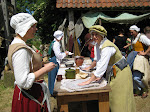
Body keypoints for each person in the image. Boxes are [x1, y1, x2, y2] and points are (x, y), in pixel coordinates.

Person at [78, 25, 136, 112]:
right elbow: (97, 60)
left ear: (102, 35)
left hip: (122, 72)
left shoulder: (107, 47)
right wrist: (89, 68)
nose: (94, 37)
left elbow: (102, 66)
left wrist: (89, 81)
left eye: (96, 34)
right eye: (92, 34)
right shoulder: (97, 45)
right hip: (114, 71)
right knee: (113, 96)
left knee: (120, 97)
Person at [7, 13, 56, 112]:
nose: (36, 29)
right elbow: (23, 81)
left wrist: (41, 65)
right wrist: (45, 69)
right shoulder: (21, 50)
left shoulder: (20, 45)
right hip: (29, 97)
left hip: (31, 94)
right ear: (25, 27)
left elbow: (28, 66)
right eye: (33, 26)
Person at [127, 25, 150, 98]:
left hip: (140, 58)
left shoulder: (142, 37)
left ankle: (145, 89)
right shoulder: (134, 37)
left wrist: (145, 53)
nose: (131, 34)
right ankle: (137, 90)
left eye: (132, 32)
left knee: (136, 77)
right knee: (132, 75)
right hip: (134, 57)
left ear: (136, 31)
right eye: (130, 32)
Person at [48, 30, 69, 95]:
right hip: (54, 61)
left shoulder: (54, 42)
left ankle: (51, 91)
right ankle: (52, 92)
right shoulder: (56, 44)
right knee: (53, 77)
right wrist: (65, 54)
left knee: (52, 76)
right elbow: (59, 55)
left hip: (53, 59)